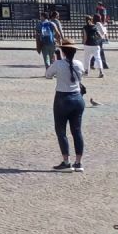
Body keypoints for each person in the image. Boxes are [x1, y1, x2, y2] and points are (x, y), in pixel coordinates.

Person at [46, 41, 86, 171]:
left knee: (61, 130)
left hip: (62, 98)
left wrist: (55, 61)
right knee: (77, 130)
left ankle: (66, 161)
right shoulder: (79, 63)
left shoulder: (58, 64)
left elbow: (48, 75)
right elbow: (82, 74)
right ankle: (78, 162)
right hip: (77, 98)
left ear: (62, 51)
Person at [82, 14, 105, 79]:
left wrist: (83, 42)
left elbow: (85, 37)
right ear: (91, 20)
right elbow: (100, 35)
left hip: (88, 44)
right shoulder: (95, 26)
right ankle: (101, 71)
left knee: (87, 58)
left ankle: (86, 71)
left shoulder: (85, 27)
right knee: (98, 58)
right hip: (95, 44)